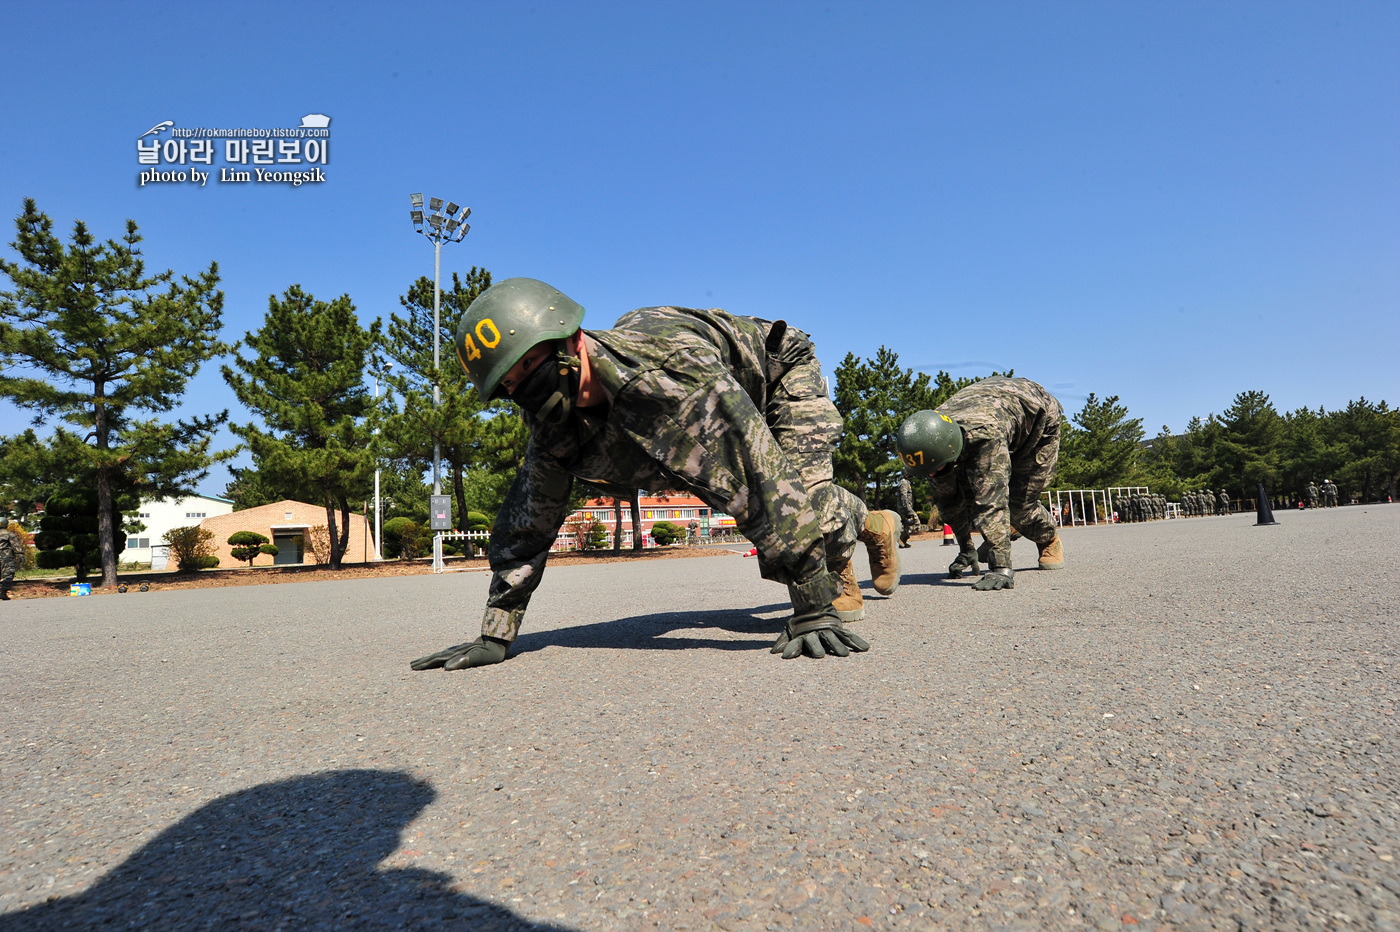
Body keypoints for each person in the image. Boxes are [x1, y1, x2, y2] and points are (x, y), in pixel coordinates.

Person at [411, 278, 902, 668]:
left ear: (573, 341)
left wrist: (810, 607)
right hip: (707, 397)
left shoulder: (671, 375)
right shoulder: (555, 427)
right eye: (512, 389)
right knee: (796, 515)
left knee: (803, 499)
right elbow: (529, 522)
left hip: (777, 372)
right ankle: (861, 530)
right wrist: (496, 631)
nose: (529, 396)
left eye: (532, 373)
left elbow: (758, 476)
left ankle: (848, 544)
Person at [895, 376, 1063, 591]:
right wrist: (967, 549)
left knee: (1019, 505)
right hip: (997, 416)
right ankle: (1007, 529)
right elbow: (948, 501)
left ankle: (1048, 539)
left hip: (1039, 420)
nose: (934, 474)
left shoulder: (984, 436)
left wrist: (1001, 568)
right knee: (958, 490)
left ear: (950, 449)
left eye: (937, 468)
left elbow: (991, 501)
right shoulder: (930, 438)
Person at [894, 476, 919, 548]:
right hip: (905, 509)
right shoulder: (904, 483)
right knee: (913, 523)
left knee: (907, 525)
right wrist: (908, 509)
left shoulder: (907, 482)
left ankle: (903, 543)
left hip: (906, 508)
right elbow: (903, 496)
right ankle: (901, 539)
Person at [0, 517, 20, 601]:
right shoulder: (9, 534)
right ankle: (3, 592)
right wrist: (20, 555)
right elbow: (16, 547)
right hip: (6, 556)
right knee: (9, 574)